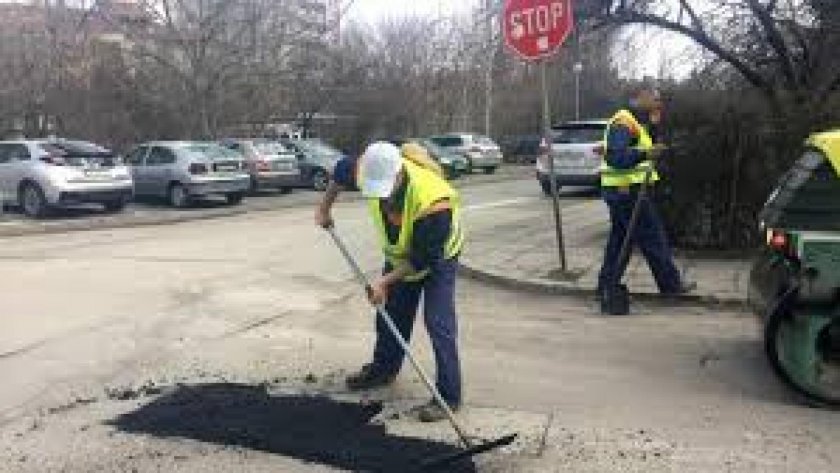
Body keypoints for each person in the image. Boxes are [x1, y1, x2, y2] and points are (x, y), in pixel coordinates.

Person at [316, 141, 464, 422]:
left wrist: (384, 281)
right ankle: (383, 370)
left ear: (398, 175)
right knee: (390, 315)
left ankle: (449, 396)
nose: (381, 199)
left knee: (438, 322)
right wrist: (324, 208)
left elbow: (423, 259)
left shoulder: (434, 200)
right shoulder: (365, 169)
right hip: (400, 256)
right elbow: (338, 173)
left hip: (439, 257)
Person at [597, 87, 695, 308]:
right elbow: (617, 157)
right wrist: (645, 154)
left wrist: (654, 124)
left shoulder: (633, 123)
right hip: (626, 191)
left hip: (622, 191)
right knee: (653, 237)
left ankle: (606, 286)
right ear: (639, 97)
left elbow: (642, 145)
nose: (658, 101)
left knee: (619, 242)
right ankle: (671, 287)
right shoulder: (623, 122)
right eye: (654, 97)